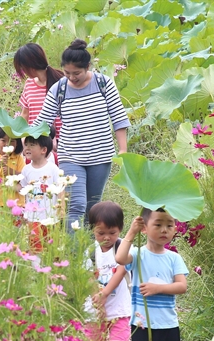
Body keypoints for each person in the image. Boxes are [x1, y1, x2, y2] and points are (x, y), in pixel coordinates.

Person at [35, 39, 130, 231]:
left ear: (88, 66)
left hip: (100, 156)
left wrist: (123, 150)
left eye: (76, 73)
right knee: (75, 205)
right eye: (67, 73)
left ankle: (87, 251)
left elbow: (119, 119)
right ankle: (72, 253)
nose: (71, 77)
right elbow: (42, 123)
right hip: (71, 156)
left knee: (92, 207)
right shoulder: (59, 89)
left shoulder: (104, 84)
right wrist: (23, 141)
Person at [115, 208, 189, 341]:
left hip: (168, 324)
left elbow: (181, 286)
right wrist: (130, 233)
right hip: (141, 323)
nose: (164, 230)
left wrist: (158, 288)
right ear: (145, 228)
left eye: (169, 225)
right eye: (158, 225)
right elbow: (120, 258)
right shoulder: (137, 254)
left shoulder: (174, 258)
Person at [83, 201, 131, 341]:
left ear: (120, 229)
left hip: (119, 308)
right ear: (92, 229)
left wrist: (105, 293)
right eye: (100, 232)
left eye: (112, 232)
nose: (106, 238)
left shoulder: (122, 248)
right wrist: (98, 299)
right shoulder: (90, 251)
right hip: (95, 309)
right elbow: (87, 276)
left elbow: (121, 271)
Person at [18, 126, 63, 252]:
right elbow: (22, 188)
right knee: (35, 244)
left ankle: (49, 267)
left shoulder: (52, 168)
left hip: (50, 216)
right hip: (33, 216)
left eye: (32, 145)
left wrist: (61, 208)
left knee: (51, 244)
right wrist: (9, 182)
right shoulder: (26, 169)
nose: (27, 148)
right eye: (26, 144)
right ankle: (36, 268)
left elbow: (60, 188)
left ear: (43, 150)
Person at [13, 43, 63, 141]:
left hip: (61, 142)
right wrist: (18, 137)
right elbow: (25, 114)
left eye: (22, 68)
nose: (23, 71)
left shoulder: (61, 82)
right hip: (36, 143)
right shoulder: (29, 84)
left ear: (30, 66)